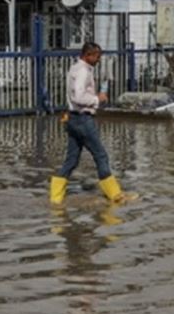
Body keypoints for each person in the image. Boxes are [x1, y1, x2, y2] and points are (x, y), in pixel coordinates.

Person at [49, 42, 128, 205]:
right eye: (97, 56)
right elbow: (78, 97)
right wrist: (96, 99)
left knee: (71, 160)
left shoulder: (74, 69)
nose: (99, 59)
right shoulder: (84, 71)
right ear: (87, 55)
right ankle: (115, 195)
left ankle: (55, 198)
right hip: (83, 119)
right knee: (101, 156)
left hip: (72, 118)